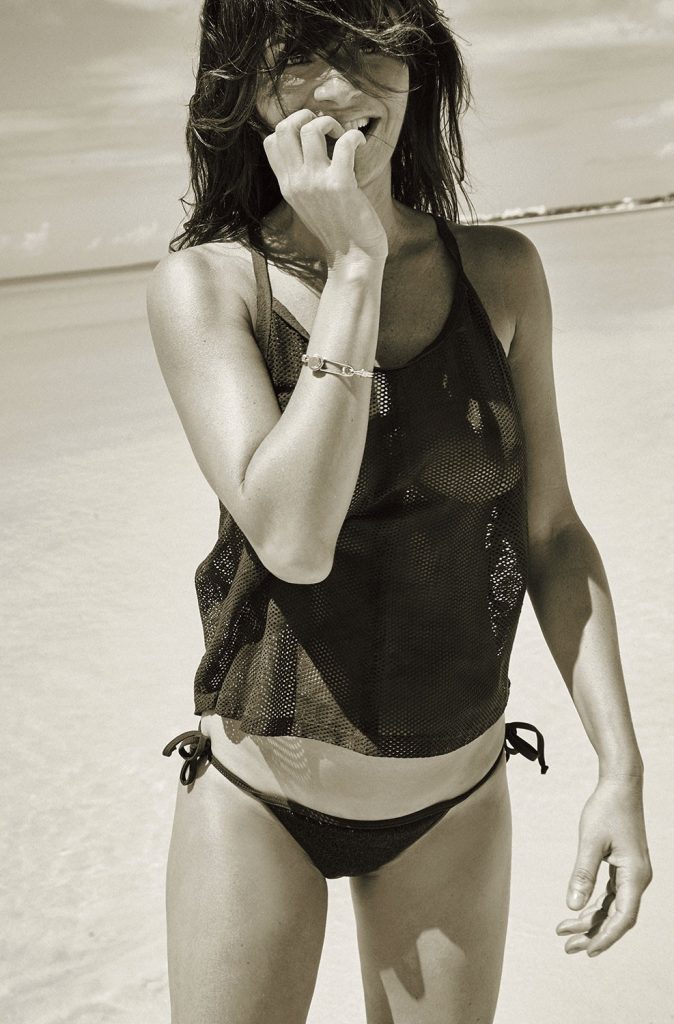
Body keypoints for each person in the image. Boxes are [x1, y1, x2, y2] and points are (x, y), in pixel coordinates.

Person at [146, 2, 652, 1021]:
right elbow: (293, 538)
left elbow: (551, 535)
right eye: (301, 59)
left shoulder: (500, 274)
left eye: (371, 48)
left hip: (453, 802)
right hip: (261, 798)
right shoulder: (210, 287)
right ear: (248, 91)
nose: (343, 86)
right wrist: (356, 265)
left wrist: (619, 771)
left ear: (417, 68)